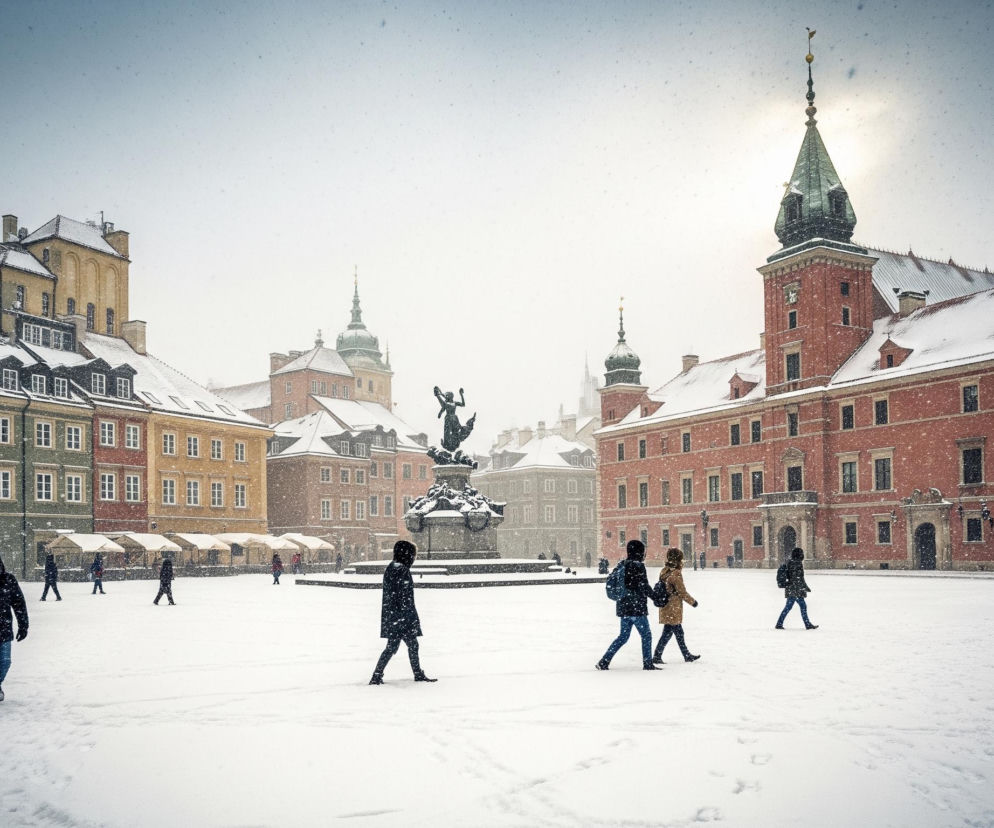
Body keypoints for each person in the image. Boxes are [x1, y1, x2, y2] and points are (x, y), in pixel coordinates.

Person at [370, 540, 436, 685]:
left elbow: (394, 594)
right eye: (413, 554)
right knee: (408, 646)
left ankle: (377, 675)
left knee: (394, 647)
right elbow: (405, 597)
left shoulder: (392, 567)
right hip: (402, 617)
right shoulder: (402, 570)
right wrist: (408, 617)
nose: (414, 558)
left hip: (393, 615)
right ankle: (414, 674)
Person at [596, 540, 664, 671]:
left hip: (624, 608)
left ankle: (604, 660)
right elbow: (644, 587)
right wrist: (656, 597)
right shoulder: (638, 566)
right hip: (637, 608)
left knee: (623, 637)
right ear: (639, 552)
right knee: (646, 635)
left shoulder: (622, 565)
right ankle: (647, 663)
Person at [652, 548, 700, 663]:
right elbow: (681, 592)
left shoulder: (664, 570)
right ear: (679, 559)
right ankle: (686, 655)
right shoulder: (676, 573)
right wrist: (693, 602)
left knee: (668, 633)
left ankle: (658, 656)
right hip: (673, 607)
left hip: (665, 605)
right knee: (677, 632)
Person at [0, 556, 29, 702]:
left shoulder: (8, 580)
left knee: (5, 662)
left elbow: (19, 603)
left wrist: (23, 625)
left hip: (3, 630)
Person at [776, 547, 818, 630]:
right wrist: (804, 587)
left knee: (789, 607)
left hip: (792, 588)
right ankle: (807, 624)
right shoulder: (797, 563)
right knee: (802, 606)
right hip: (796, 590)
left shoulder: (790, 562)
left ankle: (779, 624)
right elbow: (798, 578)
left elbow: (796, 577)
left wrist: (804, 587)